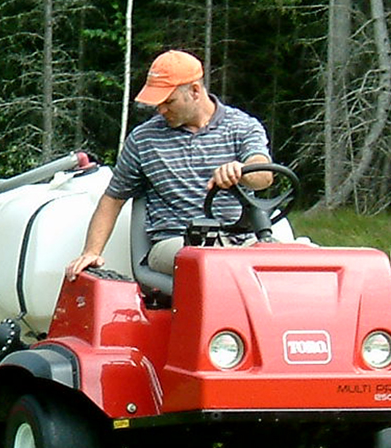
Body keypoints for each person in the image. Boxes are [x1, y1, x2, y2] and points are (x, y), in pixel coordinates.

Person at [65, 49, 272, 281]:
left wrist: (241, 171)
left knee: (294, 265)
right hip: (175, 243)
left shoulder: (242, 127)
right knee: (215, 264)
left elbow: (263, 176)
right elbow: (113, 199)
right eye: (158, 103)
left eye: (168, 101)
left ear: (194, 91)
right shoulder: (144, 140)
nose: (161, 110)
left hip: (241, 241)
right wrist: (91, 252)